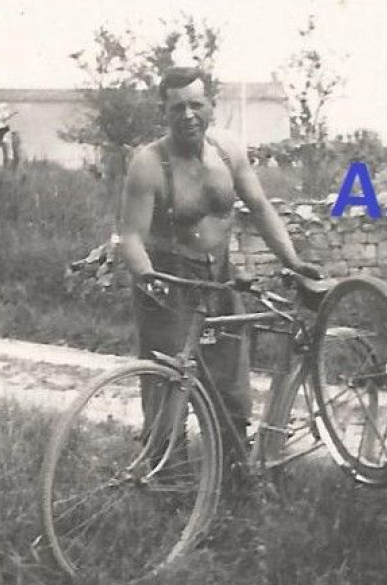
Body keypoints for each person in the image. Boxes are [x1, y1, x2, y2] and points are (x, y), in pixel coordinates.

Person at [118, 66, 323, 461]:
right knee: (169, 386)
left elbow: (261, 208)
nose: (188, 116)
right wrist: (147, 276)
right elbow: (130, 236)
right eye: (177, 108)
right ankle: (166, 480)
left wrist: (294, 261)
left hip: (221, 278)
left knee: (230, 383)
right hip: (168, 278)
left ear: (212, 105)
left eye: (196, 105)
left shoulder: (229, 151)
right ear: (164, 111)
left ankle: (233, 474)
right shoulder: (149, 163)